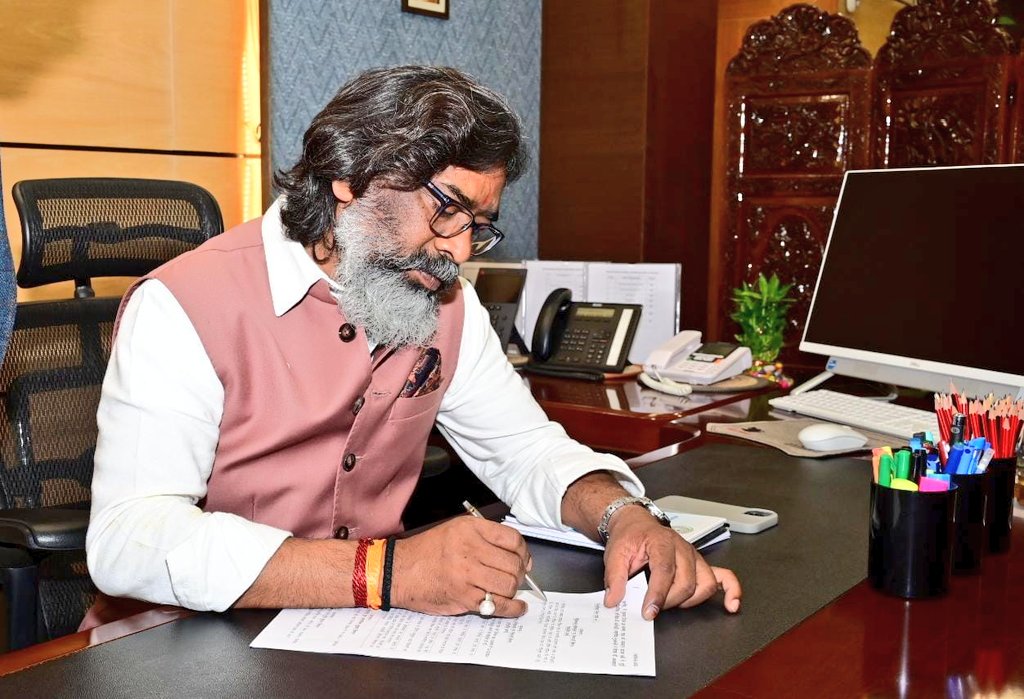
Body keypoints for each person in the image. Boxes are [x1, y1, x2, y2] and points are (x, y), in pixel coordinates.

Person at [84, 65, 740, 628]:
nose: (459, 249)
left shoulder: (447, 302)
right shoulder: (180, 306)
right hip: (186, 642)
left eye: (478, 225)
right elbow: (130, 541)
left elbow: (526, 450)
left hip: (364, 638)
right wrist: (387, 571)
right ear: (350, 177)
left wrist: (625, 515)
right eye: (447, 209)